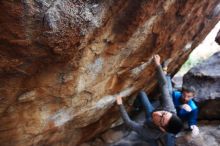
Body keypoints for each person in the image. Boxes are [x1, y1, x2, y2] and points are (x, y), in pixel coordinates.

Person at [116, 55, 183, 146]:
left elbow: (129, 123)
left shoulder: (150, 133)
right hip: (152, 114)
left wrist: (120, 105)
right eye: (164, 113)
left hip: (150, 121)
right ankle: (136, 106)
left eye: (161, 119)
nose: (159, 114)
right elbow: (163, 85)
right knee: (142, 93)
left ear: (162, 128)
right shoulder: (169, 109)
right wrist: (158, 65)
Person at [162, 60, 199, 136]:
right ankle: (166, 75)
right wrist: (180, 106)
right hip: (168, 112)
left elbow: (192, 118)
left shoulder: (193, 107)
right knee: (168, 91)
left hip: (178, 119)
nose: (185, 98)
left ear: (193, 97)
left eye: (189, 97)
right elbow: (168, 103)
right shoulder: (175, 95)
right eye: (184, 95)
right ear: (181, 93)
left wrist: (193, 126)